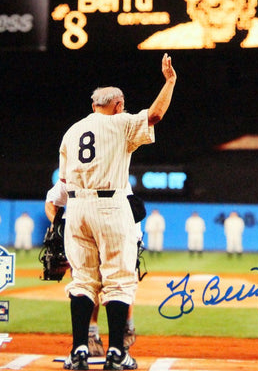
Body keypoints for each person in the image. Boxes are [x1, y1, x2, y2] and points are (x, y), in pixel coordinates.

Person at [51, 53, 176, 370]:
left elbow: (64, 181)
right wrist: (170, 80)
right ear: (118, 105)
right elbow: (156, 114)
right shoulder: (121, 122)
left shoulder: (72, 131)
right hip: (110, 205)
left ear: (94, 105)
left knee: (82, 281)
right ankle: (117, 352)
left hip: (77, 208)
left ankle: (79, 350)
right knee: (119, 280)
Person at [45, 179, 140, 358]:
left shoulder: (115, 174)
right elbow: (52, 200)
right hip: (85, 232)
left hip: (118, 229)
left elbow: (135, 210)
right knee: (93, 282)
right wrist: (59, 227)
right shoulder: (74, 174)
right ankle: (93, 336)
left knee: (118, 282)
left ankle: (125, 327)